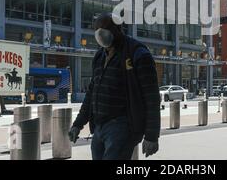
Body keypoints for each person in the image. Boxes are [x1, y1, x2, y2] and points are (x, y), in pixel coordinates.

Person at [68, 13, 161, 160]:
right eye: (97, 29)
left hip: (122, 127)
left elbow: (152, 97)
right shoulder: (100, 56)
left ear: (117, 29)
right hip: (99, 127)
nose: (99, 33)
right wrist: (78, 124)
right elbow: (92, 92)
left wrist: (152, 136)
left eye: (104, 28)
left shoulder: (137, 53)